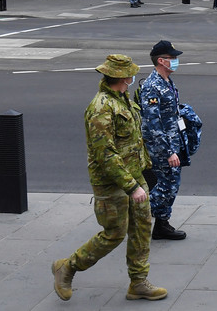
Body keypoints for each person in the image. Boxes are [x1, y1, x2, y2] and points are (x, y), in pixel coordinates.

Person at [52, 54, 166, 302]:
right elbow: (106, 154)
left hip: (135, 177)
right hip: (112, 183)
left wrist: (145, 170)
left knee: (142, 228)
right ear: (123, 77)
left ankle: (138, 282)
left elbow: (133, 140)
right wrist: (131, 186)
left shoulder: (123, 99)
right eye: (130, 74)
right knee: (114, 233)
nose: (132, 77)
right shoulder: (101, 107)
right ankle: (68, 267)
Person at [139, 40, 202, 241]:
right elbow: (152, 123)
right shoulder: (152, 86)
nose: (175, 61)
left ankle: (161, 224)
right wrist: (168, 152)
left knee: (169, 184)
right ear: (161, 60)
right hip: (161, 148)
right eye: (172, 58)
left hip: (173, 141)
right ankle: (139, 218)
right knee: (166, 185)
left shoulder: (166, 81)